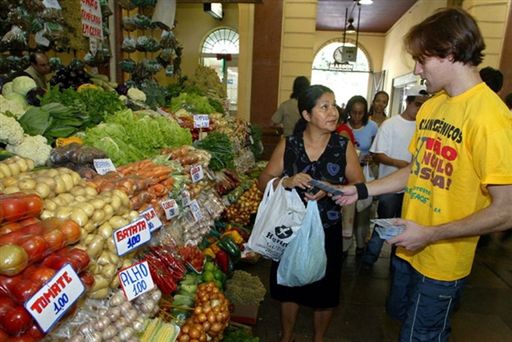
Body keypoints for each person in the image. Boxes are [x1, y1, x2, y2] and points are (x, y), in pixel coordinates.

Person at [333, 8, 512, 341]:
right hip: (407, 247)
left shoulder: (490, 117)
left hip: (442, 262)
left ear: (450, 52)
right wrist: (361, 191)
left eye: (421, 60)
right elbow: (417, 171)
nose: (416, 70)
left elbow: (506, 210)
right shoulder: (431, 106)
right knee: (401, 323)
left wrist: (430, 234)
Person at [258, 84, 363, 342]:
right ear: (306, 115)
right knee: (288, 288)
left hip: (327, 229)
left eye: (334, 105)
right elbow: (263, 181)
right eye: (324, 106)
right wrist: (287, 181)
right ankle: (288, 336)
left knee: (324, 293)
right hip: (289, 228)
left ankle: (318, 338)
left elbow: (360, 186)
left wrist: (332, 189)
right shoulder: (289, 145)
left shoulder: (342, 145)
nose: (333, 112)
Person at [361, 85, 429, 269]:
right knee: (384, 223)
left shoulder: (425, 126)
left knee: (406, 226)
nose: (420, 108)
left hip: (414, 189)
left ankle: (397, 261)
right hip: (390, 186)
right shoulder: (390, 124)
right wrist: (400, 165)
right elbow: (378, 154)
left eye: (425, 105)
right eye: (417, 104)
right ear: (407, 102)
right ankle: (369, 258)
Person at [345, 95, 378, 255]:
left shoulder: (372, 127)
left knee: (364, 211)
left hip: (365, 171)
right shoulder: (344, 128)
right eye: (354, 113)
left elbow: (376, 149)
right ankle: (345, 244)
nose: (357, 117)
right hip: (348, 175)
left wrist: (370, 157)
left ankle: (360, 244)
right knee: (347, 210)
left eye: (360, 113)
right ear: (349, 112)